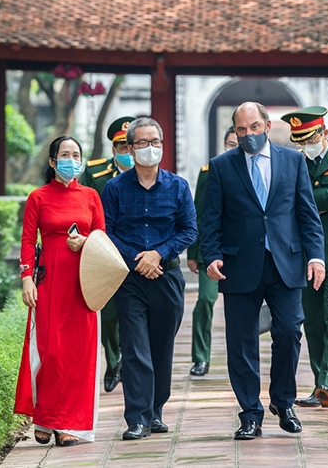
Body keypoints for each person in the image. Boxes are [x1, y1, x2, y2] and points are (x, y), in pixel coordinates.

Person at [201, 101, 326, 440]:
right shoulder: (221, 166)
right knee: (241, 342)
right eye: (242, 130)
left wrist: (316, 257)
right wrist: (210, 254)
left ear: (267, 126)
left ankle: (283, 402)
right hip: (239, 265)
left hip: (286, 262)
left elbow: (307, 214)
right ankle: (250, 413)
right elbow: (211, 219)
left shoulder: (292, 160)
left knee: (288, 332)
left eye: (254, 127)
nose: (248, 135)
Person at [101, 116, 197, 440]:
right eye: (142, 143)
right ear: (129, 148)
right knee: (135, 347)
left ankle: (156, 411)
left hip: (167, 278)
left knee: (160, 347)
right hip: (129, 281)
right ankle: (137, 419)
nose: (149, 148)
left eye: (155, 142)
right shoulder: (114, 188)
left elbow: (189, 230)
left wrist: (159, 253)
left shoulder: (178, 186)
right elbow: (107, 232)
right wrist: (138, 259)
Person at [15, 136, 104, 446]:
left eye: (76, 154)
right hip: (49, 281)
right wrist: (26, 278)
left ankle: (71, 426)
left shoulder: (91, 196)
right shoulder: (38, 197)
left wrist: (87, 241)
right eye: (64, 154)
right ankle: (45, 417)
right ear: (52, 162)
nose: (71, 159)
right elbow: (27, 242)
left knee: (79, 354)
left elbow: (102, 237)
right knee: (50, 351)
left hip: (84, 283)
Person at [279, 107, 328, 410]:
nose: (305, 145)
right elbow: (284, 198)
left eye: (309, 138)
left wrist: (307, 202)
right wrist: (316, 203)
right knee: (313, 322)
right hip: (305, 254)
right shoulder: (295, 161)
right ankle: (320, 383)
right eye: (300, 140)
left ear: (324, 133)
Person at [79, 115, 136, 393]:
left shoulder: (148, 172)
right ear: (114, 150)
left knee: (135, 313)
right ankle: (113, 362)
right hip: (105, 253)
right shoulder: (96, 173)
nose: (127, 152)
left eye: (131, 146)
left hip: (138, 254)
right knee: (109, 314)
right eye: (121, 147)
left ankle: (128, 361)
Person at [187, 126, 239, 377]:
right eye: (231, 143)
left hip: (241, 253)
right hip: (213, 249)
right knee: (206, 300)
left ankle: (239, 358)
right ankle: (200, 357)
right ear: (224, 144)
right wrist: (193, 252)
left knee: (241, 307)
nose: (236, 147)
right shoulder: (210, 172)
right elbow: (199, 213)